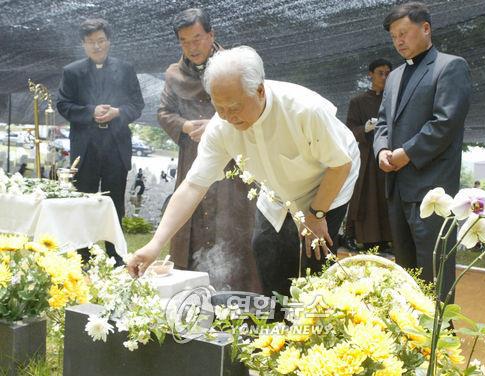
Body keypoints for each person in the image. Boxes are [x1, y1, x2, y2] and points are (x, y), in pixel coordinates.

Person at [129, 46, 360, 298]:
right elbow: (193, 186)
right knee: (265, 247)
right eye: (219, 108)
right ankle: (276, 326)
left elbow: (340, 164)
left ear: (259, 90)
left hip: (328, 181)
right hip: (277, 190)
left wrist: (316, 214)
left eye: (234, 106)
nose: (227, 116)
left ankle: (315, 322)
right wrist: (155, 244)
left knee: (312, 257)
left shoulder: (304, 111)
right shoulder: (222, 127)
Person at [373, 2, 472, 300]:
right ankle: (409, 339)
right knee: (405, 275)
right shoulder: (393, 77)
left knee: (434, 273)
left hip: (432, 192)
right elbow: (381, 124)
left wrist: (406, 153)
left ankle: (440, 341)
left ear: (425, 28)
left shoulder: (450, 66)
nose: (399, 41)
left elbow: (445, 123)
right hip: (397, 189)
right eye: (393, 37)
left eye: (404, 33)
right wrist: (382, 150)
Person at [156, 9, 260, 291]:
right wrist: (187, 125)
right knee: (191, 214)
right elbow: (164, 113)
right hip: (194, 155)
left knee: (233, 223)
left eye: (197, 38)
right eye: (185, 41)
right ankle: (191, 292)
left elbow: (254, 102)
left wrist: (216, 123)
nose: (192, 46)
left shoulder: (235, 65)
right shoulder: (174, 74)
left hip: (232, 157)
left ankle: (238, 292)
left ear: (211, 35)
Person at [57, 18, 145, 264]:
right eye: (90, 42)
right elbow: (63, 104)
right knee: (83, 200)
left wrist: (117, 112)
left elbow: (137, 105)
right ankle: (82, 255)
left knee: (114, 201)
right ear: (83, 45)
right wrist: (91, 111)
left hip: (116, 146)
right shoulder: (72, 72)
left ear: (109, 41)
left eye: (100, 41)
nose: (96, 46)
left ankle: (115, 256)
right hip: (85, 148)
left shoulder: (125, 69)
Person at [345, 58, 393, 254]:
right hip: (366, 158)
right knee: (363, 197)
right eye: (380, 72)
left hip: (388, 157)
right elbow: (349, 129)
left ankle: (386, 239)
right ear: (370, 75)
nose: (384, 76)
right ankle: (356, 236)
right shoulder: (358, 101)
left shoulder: (392, 100)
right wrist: (364, 128)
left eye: (388, 73)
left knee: (385, 197)